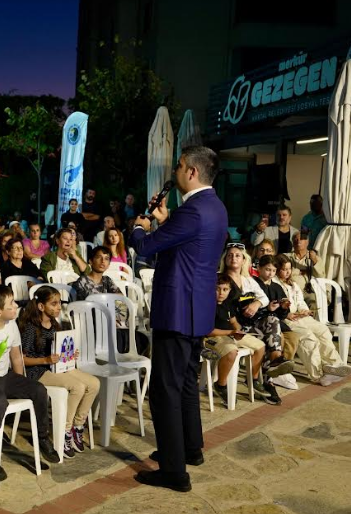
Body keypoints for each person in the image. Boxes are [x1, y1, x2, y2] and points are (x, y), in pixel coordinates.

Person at [128, 146, 228, 492]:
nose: (176, 170)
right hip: (196, 308)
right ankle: (189, 449)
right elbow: (185, 242)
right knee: (185, 382)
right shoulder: (214, 207)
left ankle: (173, 471)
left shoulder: (193, 210)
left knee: (164, 390)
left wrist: (140, 228)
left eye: (180, 166)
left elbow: (145, 247)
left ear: (192, 173)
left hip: (176, 310)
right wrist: (165, 219)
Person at [0, 285, 61, 482]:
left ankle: (42, 438)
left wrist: (21, 384)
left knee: (38, 389)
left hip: (5, 376)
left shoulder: (12, 325)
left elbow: (16, 358)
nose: (17, 305)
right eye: (11, 303)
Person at [18, 286, 100, 458]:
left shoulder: (55, 325)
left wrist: (70, 355)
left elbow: (59, 351)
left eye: (59, 304)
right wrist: (45, 360)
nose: (58, 307)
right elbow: (21, 360)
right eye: (53, 304)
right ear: (41, 306)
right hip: (37, 371)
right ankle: (64, 430)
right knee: (77, 386)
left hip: (57, 367)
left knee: (93, 383)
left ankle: (78, 425)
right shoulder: (30, 328)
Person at [218, 244, 294, 400]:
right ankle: (265, 381)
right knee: (268, 338)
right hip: (231, 326)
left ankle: (275, 360)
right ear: (225, 259)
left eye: (238, 255)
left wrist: (256, 303)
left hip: (248, 325)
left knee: (272, 320)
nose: (233, 258)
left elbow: (264, 298)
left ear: (244, 259)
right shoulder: (220, 278)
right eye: (230, 255)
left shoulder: (248, 280)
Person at [273, 255, 350, 385]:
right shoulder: (275, 284)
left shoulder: (293, 284)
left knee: (323, 330)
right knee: (309, 338)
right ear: (277, 269)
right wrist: (287, 315)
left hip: (300, 316)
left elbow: (300, 301)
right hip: (287, 319)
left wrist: (304, 310)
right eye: (283, 269)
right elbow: (276, 306)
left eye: (289, 269)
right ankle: (318, 374)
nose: (287, 272)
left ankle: (333, 364)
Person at [70, 246, 150, 355]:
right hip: (92, 327)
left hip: (112, 324)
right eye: (99, 257)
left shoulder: (107, 280)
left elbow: (121, 301)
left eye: (106, 258)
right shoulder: (81, 282)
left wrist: (114, 316)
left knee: (141, 339)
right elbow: (85, 308)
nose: (103, 261)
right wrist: (109, 315)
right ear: (90, 261)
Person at [203, 275, 267, 406]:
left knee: (260, 346)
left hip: (231, 334)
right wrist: (231, 332)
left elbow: (233, 321)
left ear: (229, 290)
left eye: (225, 289)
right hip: (213, 337)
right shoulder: (207, 305)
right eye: (217, 289)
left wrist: (238, 330)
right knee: (232, 352)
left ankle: (253, 379)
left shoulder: (227, 304)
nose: (221, 293)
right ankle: (221, 384)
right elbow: (208, 331)